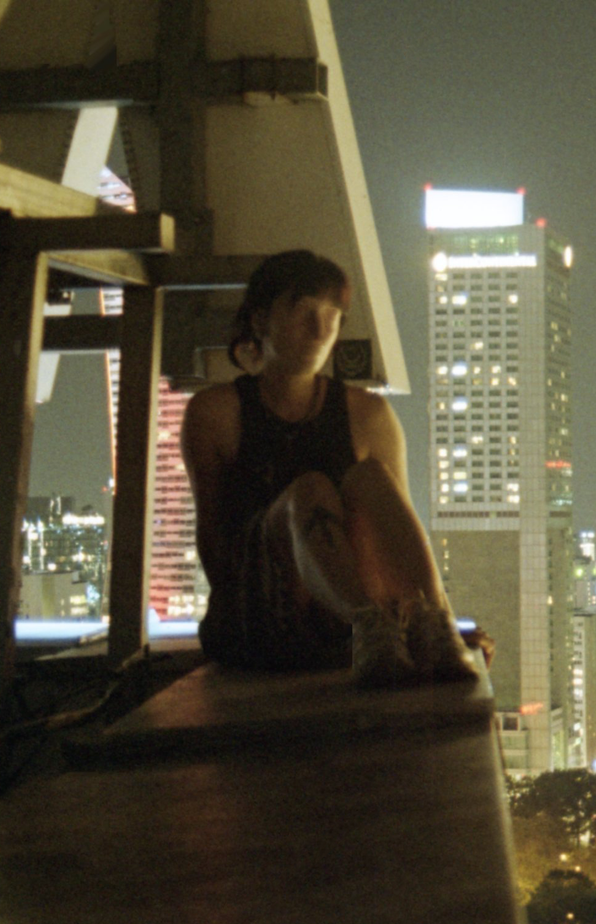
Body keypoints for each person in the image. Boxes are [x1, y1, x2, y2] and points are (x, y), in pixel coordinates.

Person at [182, 249, 487, 686]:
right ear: (260, 320)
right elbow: (213, 538)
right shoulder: (216, 412)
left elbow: (393, 532)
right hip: (262, 619)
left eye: (333, 315)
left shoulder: (368, 414)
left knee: (370, 478)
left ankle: (429, 622)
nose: (320, 329)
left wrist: (445, 620)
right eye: (304, 311)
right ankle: (368, 622)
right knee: (309, 492)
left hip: (354, 628)